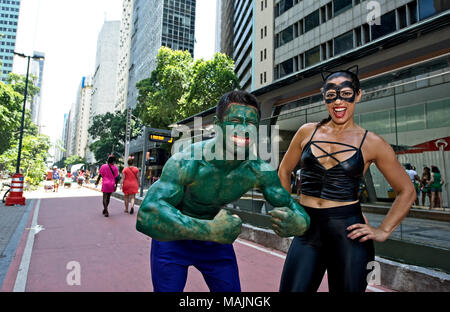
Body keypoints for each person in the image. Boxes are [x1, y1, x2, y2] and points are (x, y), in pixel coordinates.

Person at [136, 90, 310, 292]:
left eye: (251, 123)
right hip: (173, 237)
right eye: (235, 120)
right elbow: (147, 214)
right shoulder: (188, 161)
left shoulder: (258, 170)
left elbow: (293, 209)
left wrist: (300, 223)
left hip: (215, 243)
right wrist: (209, 229)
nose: (244, 129)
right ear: (218, 126)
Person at [277, 66, 416, 292]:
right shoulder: (306, 132)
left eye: (346, 93)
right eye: (331, 95)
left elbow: (406, 191)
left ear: (358, 95)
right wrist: (286, 209)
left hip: (349, 234)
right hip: (307, 231)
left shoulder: (372, 142)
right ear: (324, 97)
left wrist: (383, 230)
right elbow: (284, 171)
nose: (338, 101)